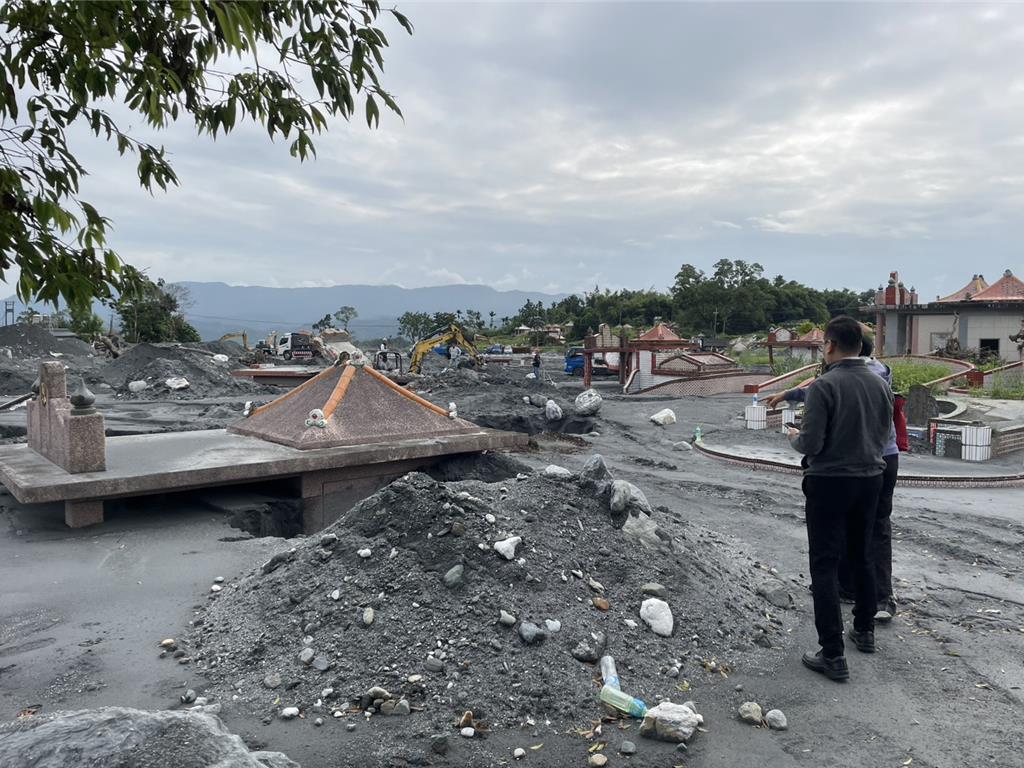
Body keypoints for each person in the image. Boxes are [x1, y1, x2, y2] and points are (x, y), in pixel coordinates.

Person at [787, 316, 893, 682]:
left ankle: (832, 652)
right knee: (862, 555)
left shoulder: (824, 386)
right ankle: (864, 630)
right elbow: (884, 434)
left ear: (829, 345)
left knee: (825, 564)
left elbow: (812, 442)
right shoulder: (880, 383)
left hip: (830, 482)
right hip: (871, 479)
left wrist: (793, 438)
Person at [767, 333, 900, 622]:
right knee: (856, 529)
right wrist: (789, 393)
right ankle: (855, 600)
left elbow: (823, 398)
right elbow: (820, 388)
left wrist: (797, 436)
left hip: (865, 462)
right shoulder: (873, 375)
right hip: (874, 459)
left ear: (836, 347)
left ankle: (878, 599)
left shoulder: (868, 375)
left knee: (868, 531)